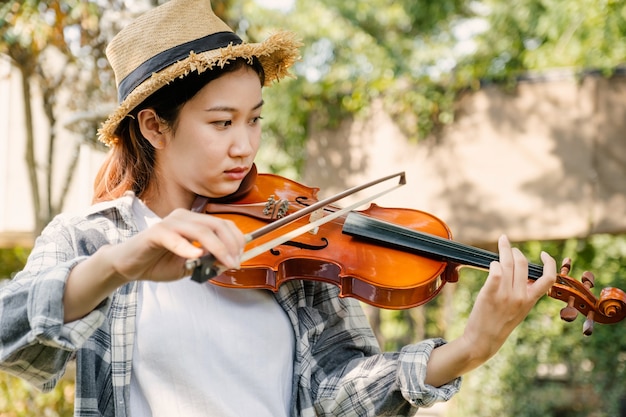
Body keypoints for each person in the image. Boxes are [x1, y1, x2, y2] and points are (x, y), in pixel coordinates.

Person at [0, 0, 557, 416]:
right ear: (154, 126)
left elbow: (337, 389)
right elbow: (11, 339)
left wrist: (469, 348)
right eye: (221, 122)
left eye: (254, 119)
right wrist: (122, 262)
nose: (245, 145)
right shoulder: (91, 239)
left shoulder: (287, 235)